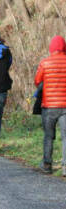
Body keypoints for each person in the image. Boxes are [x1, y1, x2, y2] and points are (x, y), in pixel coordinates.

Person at [34, 35, 66, 174]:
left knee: (48, 135)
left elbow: (37, 81)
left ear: (51, 48)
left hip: (49, 106)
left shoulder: (45, 63)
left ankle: (47, 164)